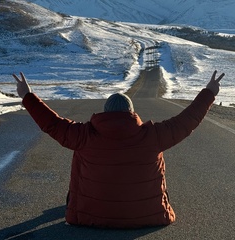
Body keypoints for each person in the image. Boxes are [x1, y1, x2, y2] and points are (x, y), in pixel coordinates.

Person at [13, 70, 224, 228]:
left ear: (105, 113)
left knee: (80, 154)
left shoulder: (85, 135)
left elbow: (52, 123)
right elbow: (186, 122)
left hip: (88, 218)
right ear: (131, 113)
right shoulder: (153, 136)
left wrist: (27, 96)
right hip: (149, 218)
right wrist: (209, 92)